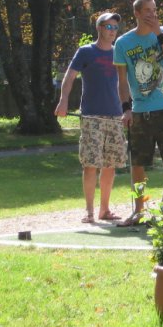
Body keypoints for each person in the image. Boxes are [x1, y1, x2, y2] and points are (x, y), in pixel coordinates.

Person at [113, 0, 163, 226]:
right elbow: (122, 81)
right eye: (147, 11)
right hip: (140, 111)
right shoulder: (123, 43)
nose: (152, 14)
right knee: (137, 162)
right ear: (137, 13)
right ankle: (139, 210)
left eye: (154, 10)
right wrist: (126, 109)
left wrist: (159, 34)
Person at [54, 12, 127, 223]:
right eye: (108, 27)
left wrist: (129, 108)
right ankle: (89, 211)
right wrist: (63, 101)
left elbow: (126, 83)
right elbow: (69, 77)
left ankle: (105, 210)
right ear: (99, 28)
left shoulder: (119, 53)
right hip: (91, 117)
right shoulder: (86, 51)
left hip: (115, 116)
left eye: (115, 28)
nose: (112, 31)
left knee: (110, 165)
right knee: (90, 164)